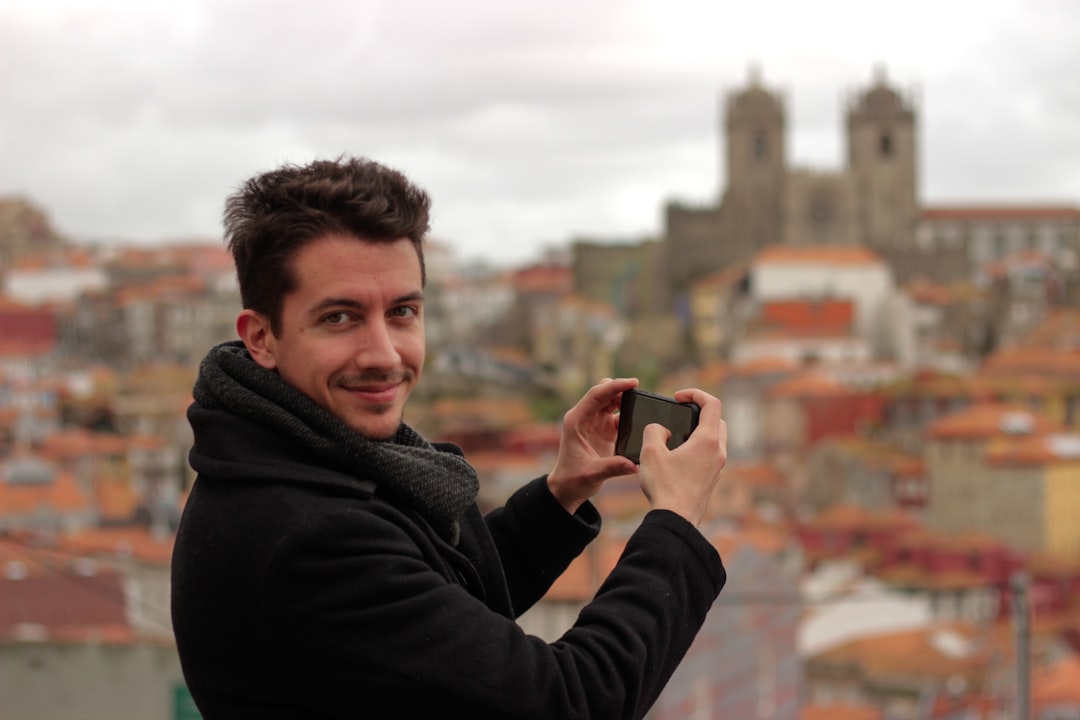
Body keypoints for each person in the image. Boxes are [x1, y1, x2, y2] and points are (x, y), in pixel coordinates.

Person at [170, 155, 728, 719]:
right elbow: (572, 702)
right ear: (261, 337)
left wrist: (560, 495)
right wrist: (676, 523)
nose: (384, 354)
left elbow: (436, 615)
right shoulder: (309, 537)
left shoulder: (291, 458)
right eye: (339, 318)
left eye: (403, 311)